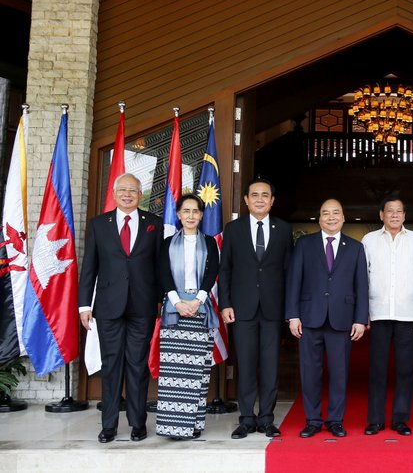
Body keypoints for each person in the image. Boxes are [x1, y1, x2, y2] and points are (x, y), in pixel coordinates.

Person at [78, 173, 163, 443]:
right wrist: (84, 305)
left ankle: (138, 423)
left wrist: (161, 300)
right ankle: (109, 426)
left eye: (133, 191)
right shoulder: (99, 224)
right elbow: (89, 267)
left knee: (137, 366)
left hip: (143, 305)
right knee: (111, 365)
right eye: (123, 190)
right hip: (108, 306)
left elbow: (160, 266)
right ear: (114, 194)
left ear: (141, 195)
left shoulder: (154, 223)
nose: (128, 194)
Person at [286, 198, 369, 438]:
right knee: (310, 372)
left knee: (339, 373)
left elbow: (361, 286)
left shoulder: (355, 247)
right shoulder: (304, 244)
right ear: (319, 218)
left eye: (336, 213)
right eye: (326, 213)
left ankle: (335, 420)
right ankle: (312, 420)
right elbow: (294, 282)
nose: (331, 217)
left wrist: (360, 319)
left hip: (342, 319)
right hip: (309, 318)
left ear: (343, 218)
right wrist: (293, 315)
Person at [219, 178, 293, 439]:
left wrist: (290, 309)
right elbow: (225, 269)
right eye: (255, 195)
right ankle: (247, 418)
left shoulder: (284, 229)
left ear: (272, 201)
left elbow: (289, 272)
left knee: (271, 366)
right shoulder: (233, 229)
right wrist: (225, 303)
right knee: (246, 365)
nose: (260, 199)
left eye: (265, 195)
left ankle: (267, 419)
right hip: (242, 309)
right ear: (246, 200)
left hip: (273, 309)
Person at [155, 193, 219, 440]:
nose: (191, 215)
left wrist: (197, 301)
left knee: (197, 372)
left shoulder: (210, 243)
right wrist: (177, 302)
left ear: (201, 215)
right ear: (179, 215)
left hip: (200, 309)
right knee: (174, 373)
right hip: (175, 311)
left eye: (196, 211)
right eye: (186, 211)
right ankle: (172, 426)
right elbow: (163, 273)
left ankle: (193, 425)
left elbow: (212, 272)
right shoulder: (167, 243)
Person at [361, 194, 413, 436]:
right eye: (390, 211)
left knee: (405, 369)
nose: (395, 215)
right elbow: (363, 279)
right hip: (378, 312)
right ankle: (375, 420)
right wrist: (363, 312)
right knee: (377, 368)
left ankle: (400, 419)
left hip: (408, 313)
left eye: (399, 211)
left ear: (404, 215)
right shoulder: (369, 241)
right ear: (382, 215)